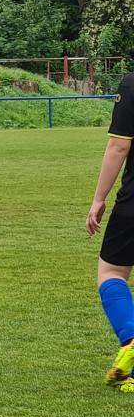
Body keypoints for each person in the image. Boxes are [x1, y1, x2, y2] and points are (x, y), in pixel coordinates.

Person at [87, 72, 134, 391]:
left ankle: (130, 338)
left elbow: (119, 146)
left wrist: (99, 198)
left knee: (112, 272)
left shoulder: (131, 84)